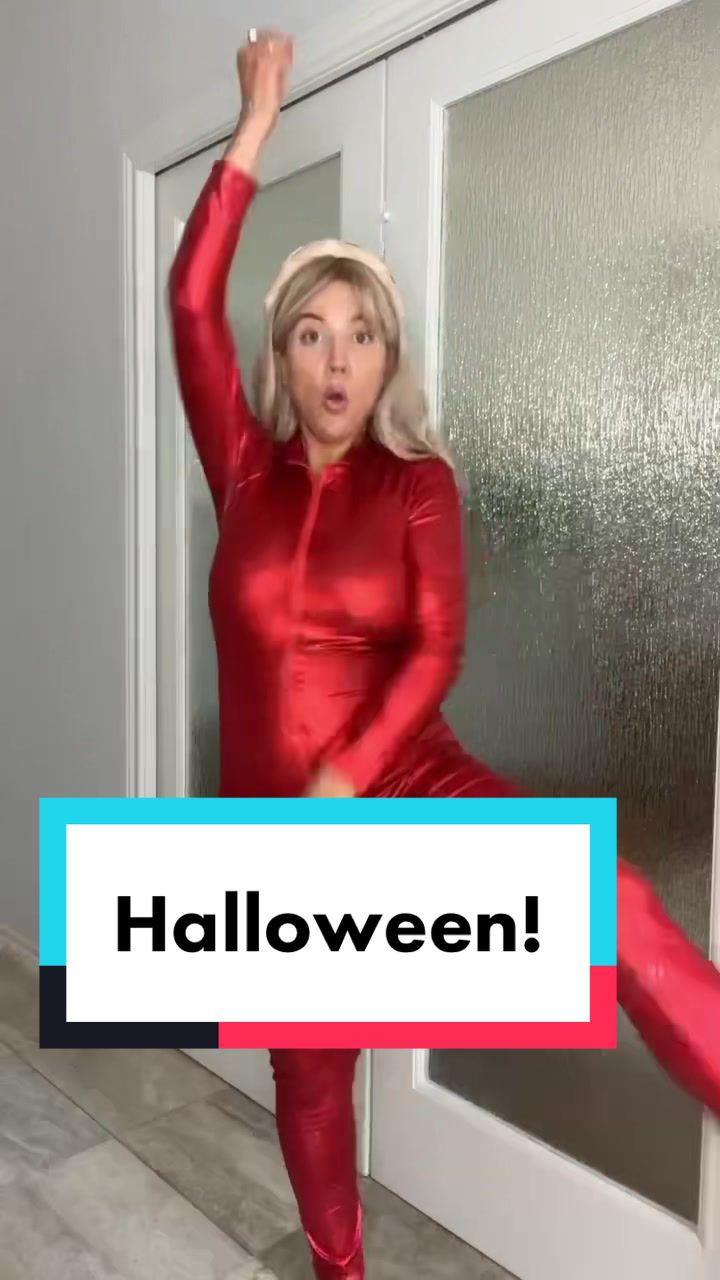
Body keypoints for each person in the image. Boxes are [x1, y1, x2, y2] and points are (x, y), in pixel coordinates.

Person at [168, 29, 720, 1280]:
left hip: (409, 780)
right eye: (312, 333)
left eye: (362, 333)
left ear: (389, 354)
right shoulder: (242, 470)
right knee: (310, 1066)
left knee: (613, 902)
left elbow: (437, 645)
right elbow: (190, 300)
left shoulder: (418, 481)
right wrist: (254, 124)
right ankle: (339, 1269)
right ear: (281, 352)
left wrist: (348, 773)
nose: (338, 359)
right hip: (271, 826)